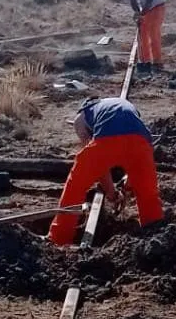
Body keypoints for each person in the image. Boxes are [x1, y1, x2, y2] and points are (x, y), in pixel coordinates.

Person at [48, 96, 163, 245]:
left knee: (75, 186)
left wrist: (111, 193)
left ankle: (58, 239)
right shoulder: (123, 105)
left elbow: (98, 166)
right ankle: (154, 238)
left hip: (107, 139)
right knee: (148, 194)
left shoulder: (80, 118)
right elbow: (132, 150)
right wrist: (128, 186)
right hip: (141, 142)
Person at [117, 0, 166, 74]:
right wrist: (136, 12)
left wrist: (142, 13)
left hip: (157, 7)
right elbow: (133, 1)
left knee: (153, 34)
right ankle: (145, 61)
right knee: (142, 34)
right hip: (145, 9)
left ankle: (157, 62)